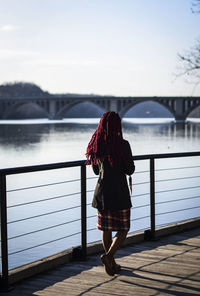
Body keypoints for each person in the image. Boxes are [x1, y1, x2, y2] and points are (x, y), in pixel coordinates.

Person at [86, 111, 135, 276]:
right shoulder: (123, 144)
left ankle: (111, 263)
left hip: (102, 194)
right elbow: (130, 169)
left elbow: (94, 170)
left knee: (105, 229)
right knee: (123, 228)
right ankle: (109, 258)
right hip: (120, 193)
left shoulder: (96, 144)